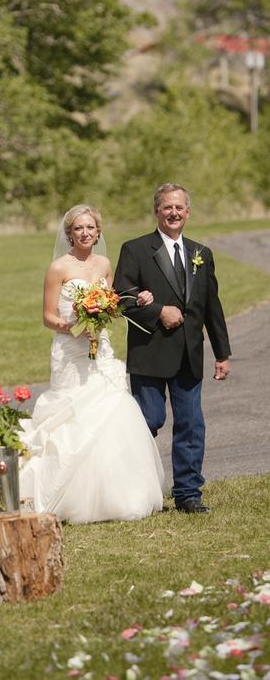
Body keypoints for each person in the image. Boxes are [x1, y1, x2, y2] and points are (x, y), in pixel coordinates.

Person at [19, 204, 164, 524]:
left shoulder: (104, 264)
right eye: (78, 229)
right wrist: (74, 328)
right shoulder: (58, 268)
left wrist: (134, 301)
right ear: (69, 234)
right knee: (73, 416)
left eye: (90, 228)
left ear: (99, 232)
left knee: (111, 409)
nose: (85, 233)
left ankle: (120, 494)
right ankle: (67, 495)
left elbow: (112, 301)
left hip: (102, 350)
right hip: (70, 352)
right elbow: (47, 317)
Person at [113, 183, 231, 514]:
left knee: (191, 425)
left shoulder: (201, 254)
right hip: (149, 353)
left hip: (189, 355)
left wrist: (222, 353)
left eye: (179, 208)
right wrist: (157, 311)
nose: (174, 213)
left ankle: (188, 493)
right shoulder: (135, 250)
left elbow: (212, 307)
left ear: (188, 212)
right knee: (148, 420)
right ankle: (137, 489)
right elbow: (120, 298)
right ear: (157, 211)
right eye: (167, 207)